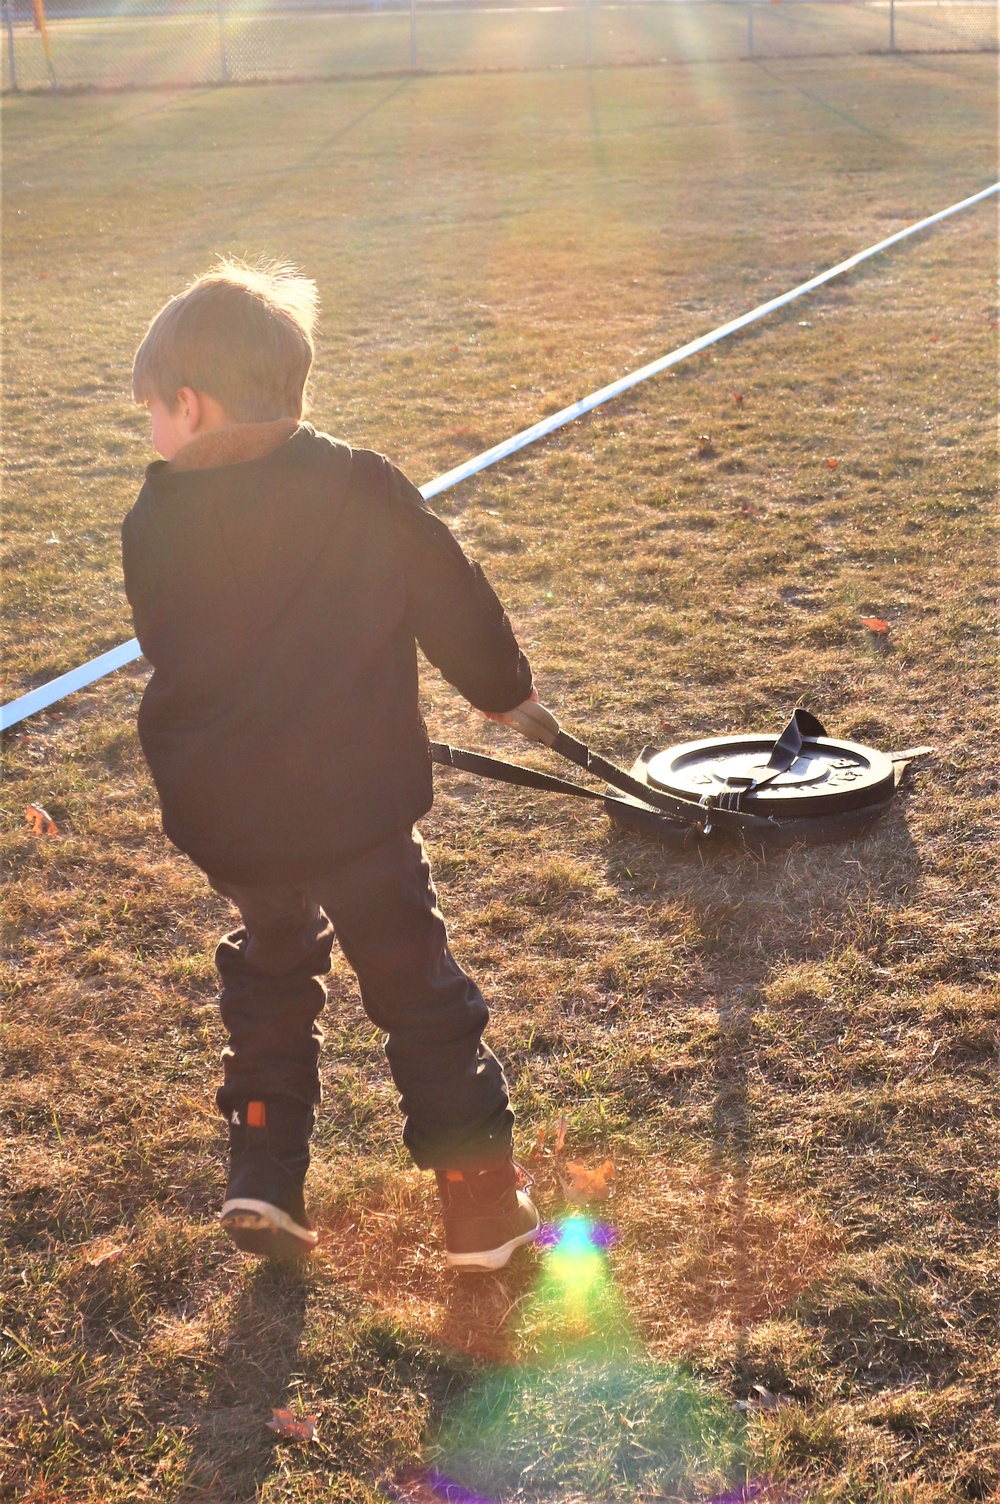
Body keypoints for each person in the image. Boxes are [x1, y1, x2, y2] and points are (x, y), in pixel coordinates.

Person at [122, 258, 555, 1271]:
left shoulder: (154, 519)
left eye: (149, 412)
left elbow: (177, 646)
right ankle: (480, 1208)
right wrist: (500, 690)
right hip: (358, 812)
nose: (149, 435)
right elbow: (450, 594)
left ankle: (264, 1175)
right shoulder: (360, 483)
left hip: (234, 821)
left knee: (271, 974)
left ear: (190, 403)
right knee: (418, 993)